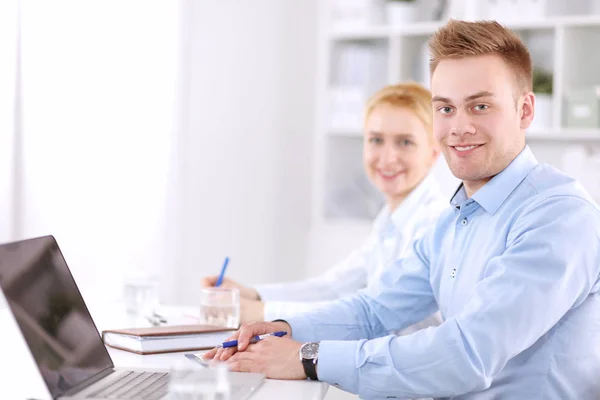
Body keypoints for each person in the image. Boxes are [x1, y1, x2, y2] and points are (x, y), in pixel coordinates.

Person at [204, 19, 600, 399]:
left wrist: (308, 357)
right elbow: (374, 310)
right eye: (445, 109)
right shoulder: (455, 220)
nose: (459, 126)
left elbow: (466, 354)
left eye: (480, 107)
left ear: (525, 111)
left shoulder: (558, 216)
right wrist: (280, 329)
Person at [202, 82, 447, 328]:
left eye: (405, 142)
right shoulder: (392, 218)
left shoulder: (431, 224)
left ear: (434, 153)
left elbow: (375, 314)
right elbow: (332, 287)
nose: (387, 157)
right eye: (376, 140)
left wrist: (262, 311)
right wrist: (252, 294)